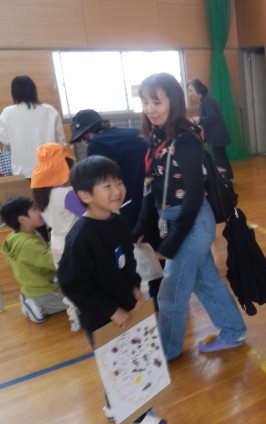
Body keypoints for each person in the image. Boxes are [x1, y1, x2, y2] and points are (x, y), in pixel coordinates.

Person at [137, 72, 246, 360]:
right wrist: (142, 225)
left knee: (171, 291)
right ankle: (233, 331)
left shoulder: (185, 141)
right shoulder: (157, 136)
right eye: (145, 102)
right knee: (205, 280)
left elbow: (195, 197)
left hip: (193, 223)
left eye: (157, 102)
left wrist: (172, 242)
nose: (150, 109)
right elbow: (152, 186)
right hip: (177, 221)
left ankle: (166, 352)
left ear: (173, 101)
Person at [57, 155, 167, 424]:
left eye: (119, 183)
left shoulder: (117, 222)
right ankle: (135, 418)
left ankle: (113, 406)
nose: (117, 190)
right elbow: (72, 284)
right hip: (100, 316)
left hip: (125, 304)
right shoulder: (81, 236)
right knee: (120, 365)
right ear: (85, 195)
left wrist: (135, 287)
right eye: (107, 186)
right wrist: (110, 310)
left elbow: (127, 260)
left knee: (128, 360)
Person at [69, 109, 165, 308]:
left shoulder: (97, 144)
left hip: (132, 202)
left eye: (83, 138)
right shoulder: (132, 132)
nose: (85, 143)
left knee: (142, 247)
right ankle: (164, 296)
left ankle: (159, 300)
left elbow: (98, 179)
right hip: (157, 196)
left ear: (88, 134)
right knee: (157, 246)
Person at [31, 142, 84, 331]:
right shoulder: (66, 193)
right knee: (84, 281)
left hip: (56, 244)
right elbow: (86, 214)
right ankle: (87, 316)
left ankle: (74, 318)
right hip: (75, 244)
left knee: (67, 283)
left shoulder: (41, 195)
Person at [0, 196, 66, 323]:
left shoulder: (18, 235)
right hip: (43, 289)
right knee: (77, 301)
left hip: (36, 284)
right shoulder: (28, 244)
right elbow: (53, 262)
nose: (39, 211)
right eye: (34, 209)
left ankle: (31, 298)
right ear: (23, 219)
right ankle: (37, 306)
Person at [0, 76, 65, 178]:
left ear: (14, 93)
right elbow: (60, 141)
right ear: (34, 90)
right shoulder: (49, 110)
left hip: (23, 169)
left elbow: (5, 140)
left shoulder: (7, 112)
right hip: (50, 166)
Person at [187, 78, 234, 180]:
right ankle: (228, 177)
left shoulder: (207, 100)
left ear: (198, 89)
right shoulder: (204, 100)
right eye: (189, 92)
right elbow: (208, 117)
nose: (190, 94)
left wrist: (199, 119)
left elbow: (212, 116)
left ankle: (224, 180)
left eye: (191, 91)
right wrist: (199, 119)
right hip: (217, 134)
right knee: (221, 156)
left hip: (217, 134)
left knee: (219, 158)